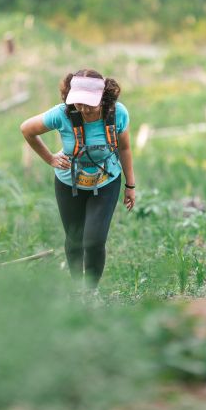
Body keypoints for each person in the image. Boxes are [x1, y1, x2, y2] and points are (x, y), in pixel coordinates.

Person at [20, 69, 135, 289]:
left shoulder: (117, 113)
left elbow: (125, 148)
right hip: (68, 183)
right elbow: (27, 129)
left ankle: (90, 291)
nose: (83, 108)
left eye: (89, 103)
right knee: (74, 239)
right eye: (79, 102)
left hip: (106, 181)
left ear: (103, 97)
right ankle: (76, 288)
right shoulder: (62, 114)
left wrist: (130, 185)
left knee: (94, 240)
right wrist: (50, 159)